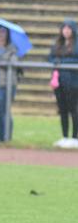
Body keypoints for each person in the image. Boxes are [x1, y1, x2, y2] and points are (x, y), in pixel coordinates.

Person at [47, 19, 78, 147]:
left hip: (74, 82)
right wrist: (58, 61)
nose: (66, 31)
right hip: (59, 82)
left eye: (68, 28)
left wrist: (62, 62)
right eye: (64, 28)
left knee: (74, 110)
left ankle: (75, 137)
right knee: (62, 109)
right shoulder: (58, 44)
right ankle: (64, 136)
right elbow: (50, 58)